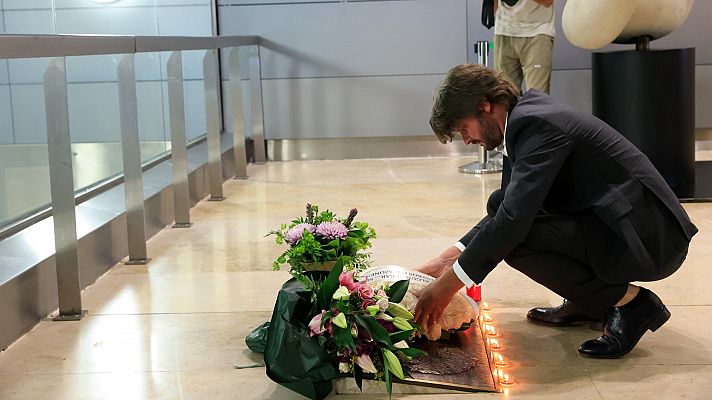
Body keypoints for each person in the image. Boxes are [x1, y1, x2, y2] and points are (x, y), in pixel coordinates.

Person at [413, 64, 697, 358]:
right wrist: (445, 259)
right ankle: (588, 301)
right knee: (501, 206)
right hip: (618, 222)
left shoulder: (536, 125)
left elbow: (512, 223)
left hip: (648, 236)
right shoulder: (522, 120)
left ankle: (632, 305)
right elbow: (507, 209)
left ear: (484, 106)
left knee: (518, 240)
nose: (467, 140)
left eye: (463, 128)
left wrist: (448, 285)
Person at [493, 0, 555, 94]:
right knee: (504, 97)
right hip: (503, 30)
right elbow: (494, 6)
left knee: (537, 99)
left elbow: (547, 2)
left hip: (537, 31)